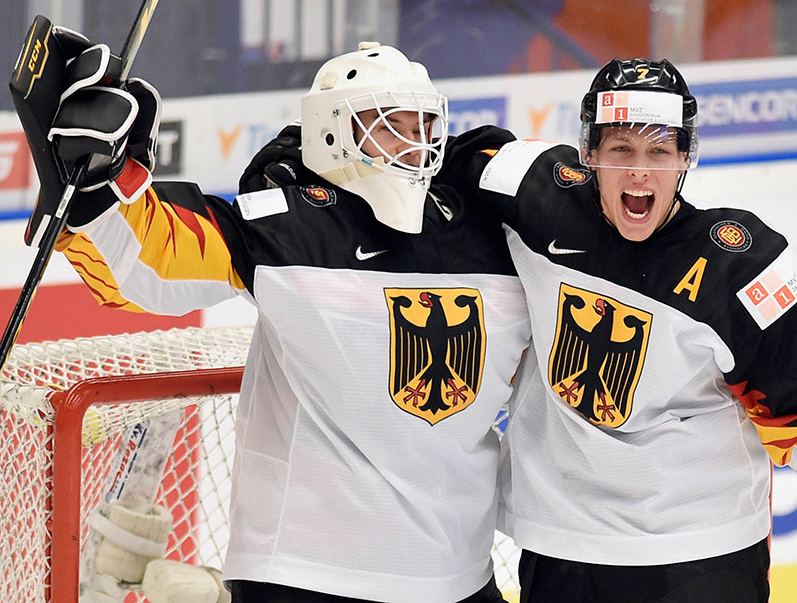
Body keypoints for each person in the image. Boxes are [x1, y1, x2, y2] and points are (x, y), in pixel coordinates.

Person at [24, 31, 531, 603]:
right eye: (392, 124)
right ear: (336, 129)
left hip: (458, 577)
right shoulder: (292, 226)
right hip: (305, 576)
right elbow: (153, 267)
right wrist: (98, 184)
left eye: (422, 126)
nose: (414, 146)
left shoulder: (487, 236)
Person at [427, 58, 797, 602]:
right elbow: (426, 161)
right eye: (621, 149)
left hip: (703, 554)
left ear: (685, 157)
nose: (639, 172)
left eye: (658, 152)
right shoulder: (534, 194)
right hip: (561, 545)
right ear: (589, 154)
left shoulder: (744, 266)